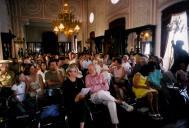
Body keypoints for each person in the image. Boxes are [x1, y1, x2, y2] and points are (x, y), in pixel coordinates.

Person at [85, 64, 133, 128]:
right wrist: (100, 85)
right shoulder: (87, 77)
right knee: (100, 92)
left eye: (91, 69)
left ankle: (115, 124)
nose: (89, 70)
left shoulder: (101, 75)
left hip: (105, 95)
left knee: (111, 102)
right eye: (88, 69)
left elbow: (107, 87)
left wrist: (97, 86)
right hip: (95, 97)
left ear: (95, 69)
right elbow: (90, 89)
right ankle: (120, 102)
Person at [63, 64, 89, 128]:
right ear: (69, 72)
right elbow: (66, 96)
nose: (74, 73)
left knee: (82, 104)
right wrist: (76, 98)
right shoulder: (65, 83)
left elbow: (83, 90)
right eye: (72, 71)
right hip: (70, 101)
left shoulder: (79, 80)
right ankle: (81, 125)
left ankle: (81, 126)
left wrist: (83, 95)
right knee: (82, 105)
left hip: (80, 100)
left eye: (75, 71)